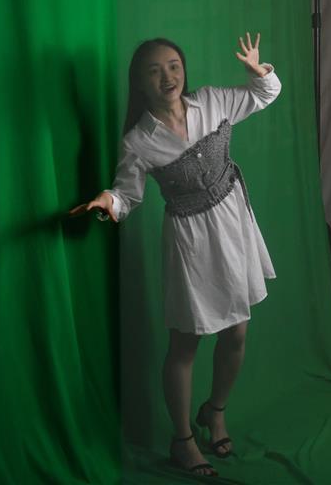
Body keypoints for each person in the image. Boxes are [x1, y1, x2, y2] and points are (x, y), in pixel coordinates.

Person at [70, 34, 281, 476]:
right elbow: (128, 195)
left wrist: (258, 71)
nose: (166, 76)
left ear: (183, 69)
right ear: (139, 83)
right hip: (190, 243)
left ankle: (215, 411)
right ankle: (182, 439)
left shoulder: (214, 101)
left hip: (234, 227)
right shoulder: (138, 141)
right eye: (154, 70)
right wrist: (109, 201)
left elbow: (265, 94)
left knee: (237, 332)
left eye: (173, 65)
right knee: (186, 343)